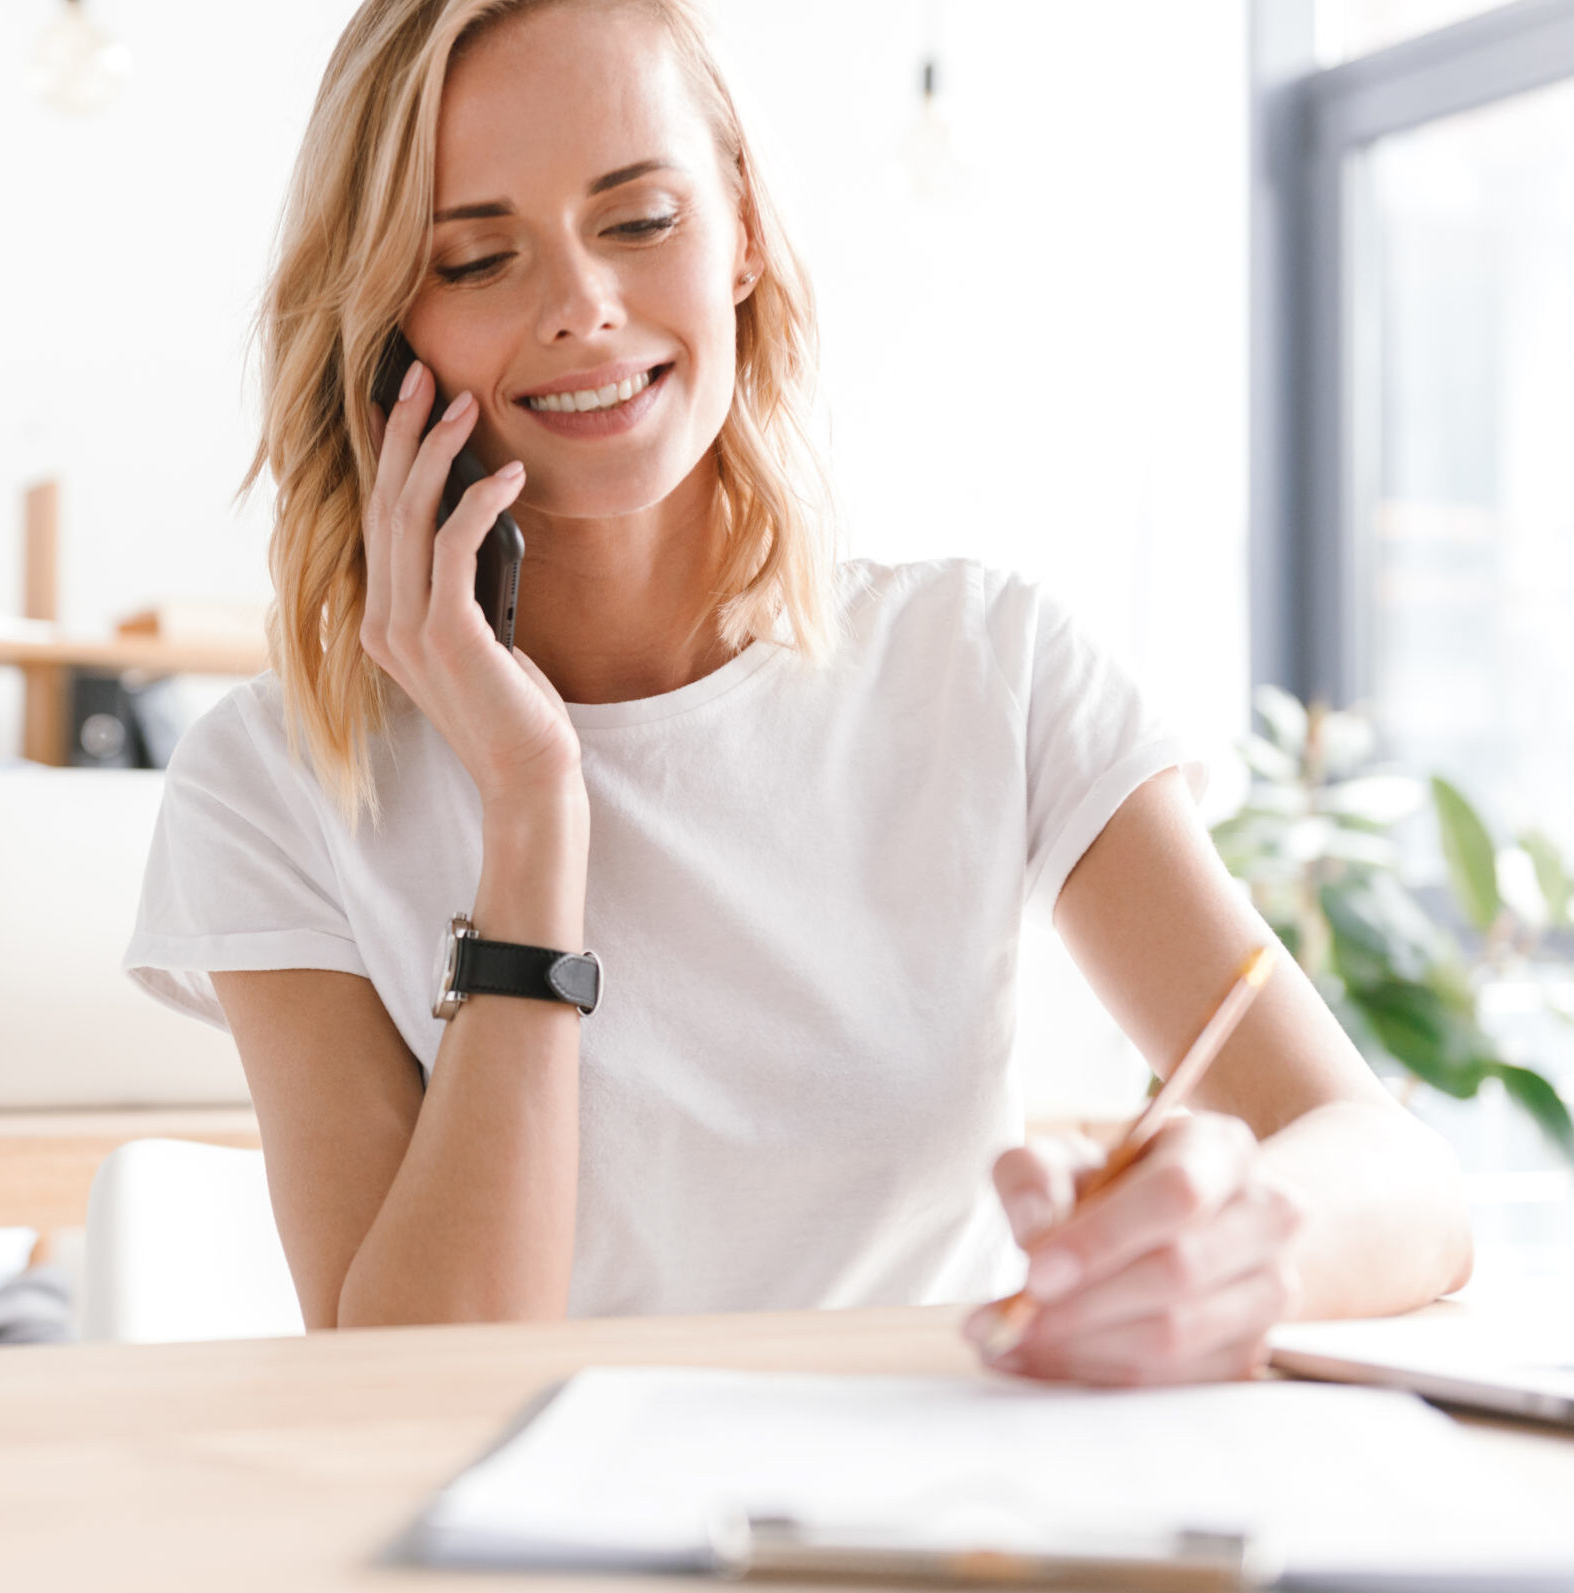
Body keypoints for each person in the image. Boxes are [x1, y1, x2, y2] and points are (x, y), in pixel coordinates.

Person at [123, 0, 1471, 1381]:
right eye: (474, 256)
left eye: (640, 221)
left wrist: (1228, 1250)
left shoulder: (982, 664)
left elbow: (1402, 1182)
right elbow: (413, 1378)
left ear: (744, 235)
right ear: (393, 325)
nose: (581, 303)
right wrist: (532, 809)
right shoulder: (276, 781)